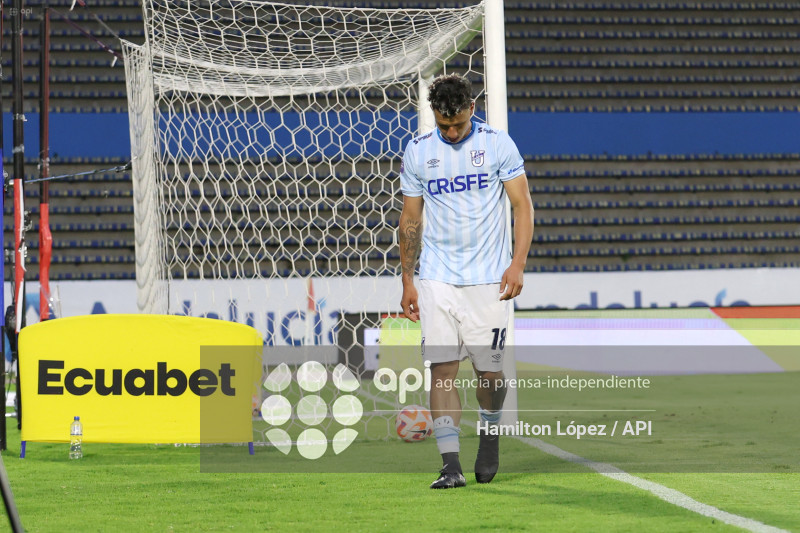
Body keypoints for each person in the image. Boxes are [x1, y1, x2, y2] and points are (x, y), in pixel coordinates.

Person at [398, 73, 534, 489]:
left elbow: (522, 206)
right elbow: (410, 219)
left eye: (457, 124)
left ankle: (489, 436)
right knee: (442, 370)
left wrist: (517, 263)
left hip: (489, 280)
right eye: (443, 125)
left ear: (472, 109)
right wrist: (407, 279)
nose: (452, 132)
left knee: (490, 374)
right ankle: (450, 464)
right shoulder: (418, 152)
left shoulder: (497, 144)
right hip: (437, 277)